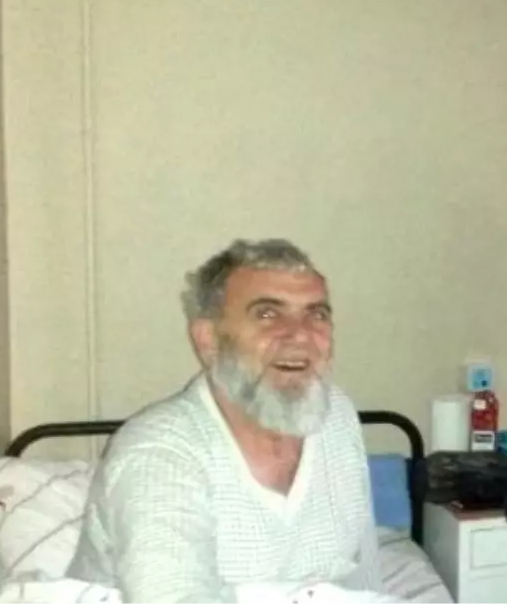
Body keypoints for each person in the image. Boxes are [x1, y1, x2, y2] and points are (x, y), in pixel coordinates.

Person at [69, 239, 389, 603]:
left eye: (316, 314)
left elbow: (361, 575)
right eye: (267, 314)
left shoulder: (336, 416)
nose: (301, 334)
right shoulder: (157, 453)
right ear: (208, 340)